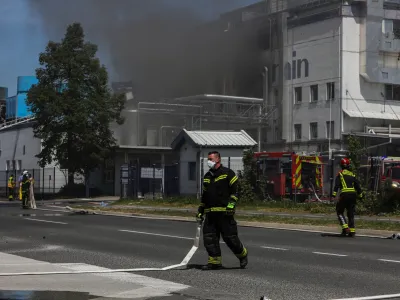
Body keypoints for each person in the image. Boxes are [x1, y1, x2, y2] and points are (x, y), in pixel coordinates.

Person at [196, 151, 248, 270]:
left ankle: (243, 255)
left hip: (225, 213)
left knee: (230, 238)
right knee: (210, 239)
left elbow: (236, 191)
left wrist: (231, 205)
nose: (208, 161)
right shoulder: (207, 177)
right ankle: (214, 262)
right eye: (207, 159)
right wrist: (200, 210)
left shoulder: (228, 174)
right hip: (210, 214)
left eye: (210, 159)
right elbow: (205, 196)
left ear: (218, 159)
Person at [332, 158, 364, 237]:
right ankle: (352, 232)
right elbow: (357, 185)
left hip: (344, 195)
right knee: (351, 213)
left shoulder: (340, 174)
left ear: (341, 166)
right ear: (348, 165)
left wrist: (333, 194)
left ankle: (345, 227)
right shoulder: (352, 174)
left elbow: (337, 185)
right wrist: (360, 195)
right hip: (353, 195)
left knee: (339, 211)